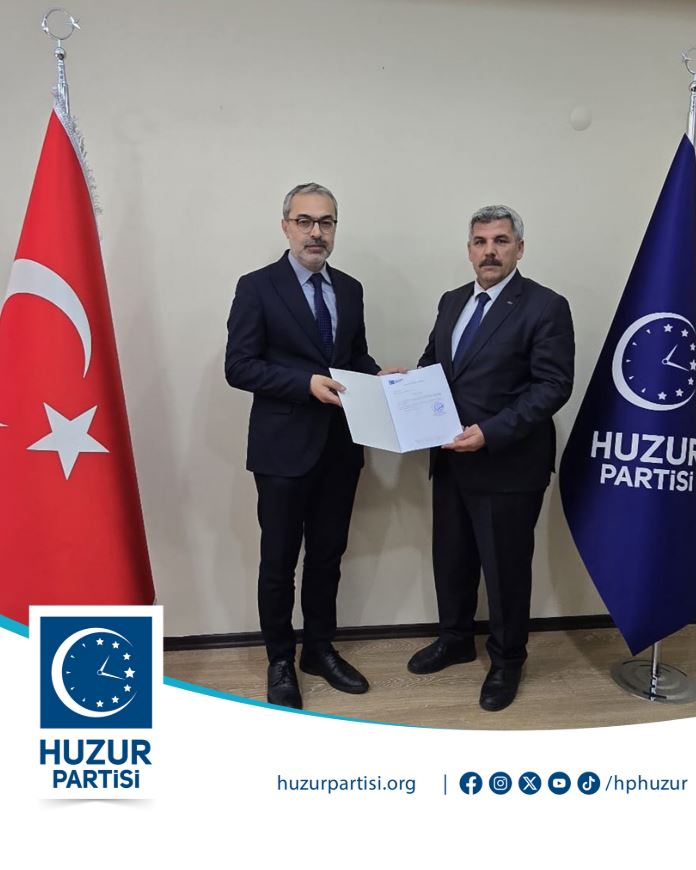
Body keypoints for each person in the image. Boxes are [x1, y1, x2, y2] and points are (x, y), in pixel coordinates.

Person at [225, 182, 398, 710]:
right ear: (286, 226)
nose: (315, 232)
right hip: (282, 450)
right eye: (305, 221)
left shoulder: (350, 289)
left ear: (335, 228)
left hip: (340, 448)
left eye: (326, 222)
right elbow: (239, 366)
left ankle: (318, 649)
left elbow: (353, 359)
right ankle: (280, 659)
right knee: (278, 561)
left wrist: (380, 380)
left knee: (327, 556)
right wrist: (304, 384)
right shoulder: (257, 287)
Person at [408, 205, 575, 711]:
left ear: (519, 249)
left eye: (501, 241)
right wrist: (406, 386)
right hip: (450, 458)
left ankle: (507, 661)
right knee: (451, 559)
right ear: (469, 250)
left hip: (508, 464)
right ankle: (456, 639)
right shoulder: (452, 301)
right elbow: (435, 365)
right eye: (480, 242)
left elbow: (553, 386)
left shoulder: (545, 306)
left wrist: (490, 432)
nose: (490, 251)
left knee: (505, 571)